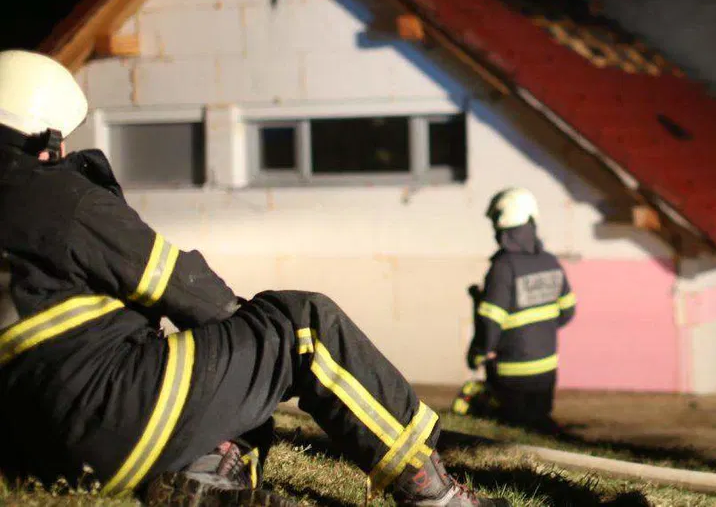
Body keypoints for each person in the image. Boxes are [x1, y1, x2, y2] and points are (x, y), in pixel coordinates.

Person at [0, 49, 509, 507]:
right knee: (299, 324)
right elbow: (184, 287)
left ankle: (205, 478)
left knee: (228, 364)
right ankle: (437, 496)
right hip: (115, 416)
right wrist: (255, 329)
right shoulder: (55, 196)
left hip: (42, 447)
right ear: (46, 137)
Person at [464, 187, 575, 432]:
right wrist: (538, 329)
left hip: (511, 375)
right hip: (547, 371)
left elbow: (490, 323)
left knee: (511, 427)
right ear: (531, 220)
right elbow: (567, 312)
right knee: (539, 425)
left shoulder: (503, 267)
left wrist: (478, 354)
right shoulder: (550, 262)